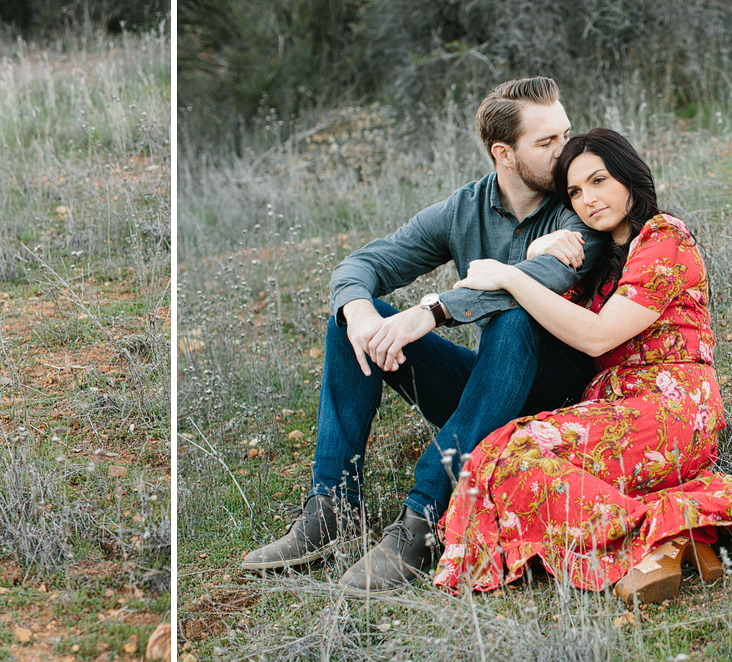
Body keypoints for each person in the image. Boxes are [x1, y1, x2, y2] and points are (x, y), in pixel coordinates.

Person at [239, 76, 611, 592]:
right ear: (503, 153)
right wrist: (360, 314)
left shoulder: (582, 203)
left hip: (560, 400)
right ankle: (332, 506)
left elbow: (545, 278)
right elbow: (364, 262)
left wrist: (432, 311)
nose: (566, 152)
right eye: (547, 143)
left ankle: (423, 518)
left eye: (565, 134)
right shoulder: (465, 209)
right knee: (348, 320)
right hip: (489, 390)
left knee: (517, 315)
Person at [430, 128, 732, 604]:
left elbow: (597, 336)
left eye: (598, 180)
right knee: (498, 451)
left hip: (671, 409)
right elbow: (545, 319)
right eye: (574, 191)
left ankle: (651, 537)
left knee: (509, 453)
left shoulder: (664, 236)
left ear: (629, 177)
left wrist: (508, 274)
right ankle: (672, 530)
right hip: (615, 408)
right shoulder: (600, 262)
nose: (588, 199)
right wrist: (532, 256)